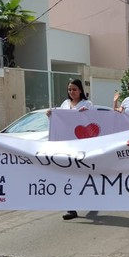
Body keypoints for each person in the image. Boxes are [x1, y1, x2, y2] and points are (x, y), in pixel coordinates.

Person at [47, 79, 93, 220]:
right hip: (67, 146)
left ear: (80, 90)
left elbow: (93, 122)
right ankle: (71, 208)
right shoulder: (65, 105)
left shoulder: (87, 104)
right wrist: (51, 116)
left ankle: (92, 198)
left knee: (83, 174)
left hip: (83, 146)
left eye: (74, 89)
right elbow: (59, 123)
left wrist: (87, 114)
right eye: (69, 90)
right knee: (68, 175)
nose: (71, 92)